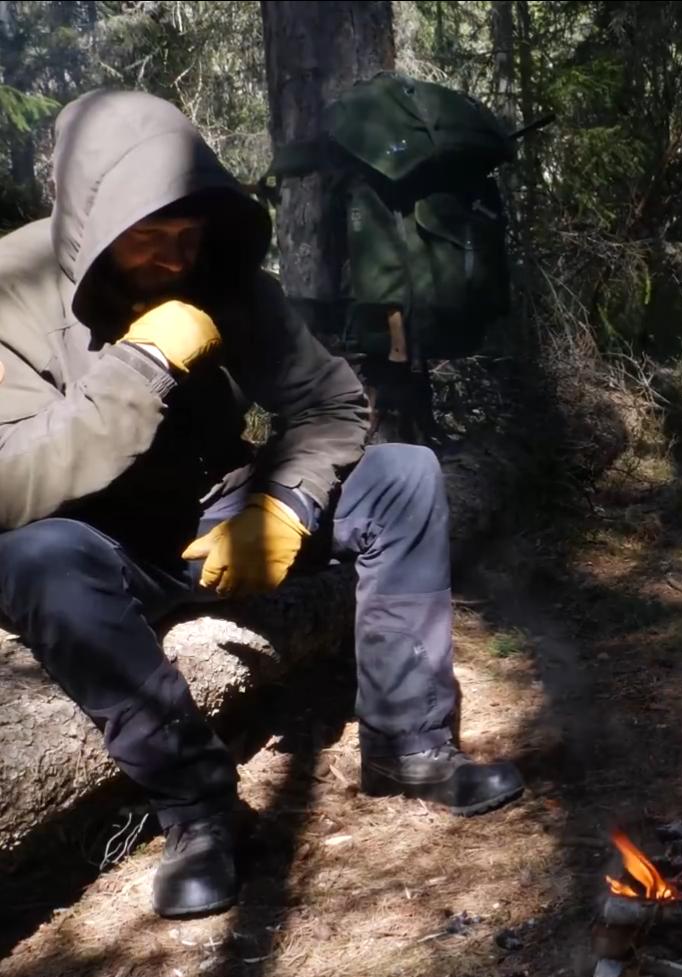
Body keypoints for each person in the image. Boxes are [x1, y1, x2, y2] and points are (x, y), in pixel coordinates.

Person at [0, 89, 525, 920]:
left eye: (188, 237)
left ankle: (409, 744)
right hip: (100, 546)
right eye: (149, 239)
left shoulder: (225, 279)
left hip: (221, 512)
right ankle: (198, 810)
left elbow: (333, 404)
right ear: (88, 221)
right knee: (31, 556)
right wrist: (139, 369)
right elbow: (9, 482)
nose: (175, 260)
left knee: (406, 474)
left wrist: (285, 501)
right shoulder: (9, 294)